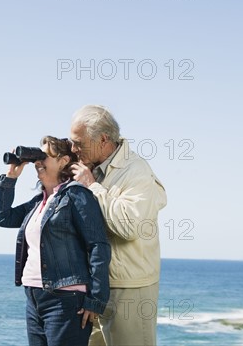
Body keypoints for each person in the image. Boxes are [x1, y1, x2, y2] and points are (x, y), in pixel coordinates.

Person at [0, 136, 111, 346]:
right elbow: (2, 217)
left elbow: (98, 245)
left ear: (64, 161)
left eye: (44, 156)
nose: (38, 161)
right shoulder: (39, 202)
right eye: (37, 156)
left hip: (65, 299)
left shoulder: (76, 195)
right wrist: (10, 177)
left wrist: (96, 300)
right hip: (33, 297)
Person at [68, 105, 167, 346]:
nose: (73, 149)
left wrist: (92, 187)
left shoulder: (137, 171)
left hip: (129, 288)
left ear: (103, 139)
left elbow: (129, 226)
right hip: (95, 288)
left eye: (78, 142)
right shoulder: (89, 169)